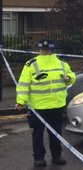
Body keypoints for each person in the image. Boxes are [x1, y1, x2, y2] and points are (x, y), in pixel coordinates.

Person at [15, 39, 75, 167]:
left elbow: (71, 75)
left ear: (52, 50)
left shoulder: (61, 63)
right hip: (38, 107)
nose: (45, 52)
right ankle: (38, 157)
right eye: (43, 50)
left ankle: (57, 156)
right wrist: (20, 101)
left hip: (57, 105)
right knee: (37, 134)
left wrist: (69, 78)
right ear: (39, 50)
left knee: (56, 133)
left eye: (48, 50)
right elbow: (23, 84)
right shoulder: (31, 64)